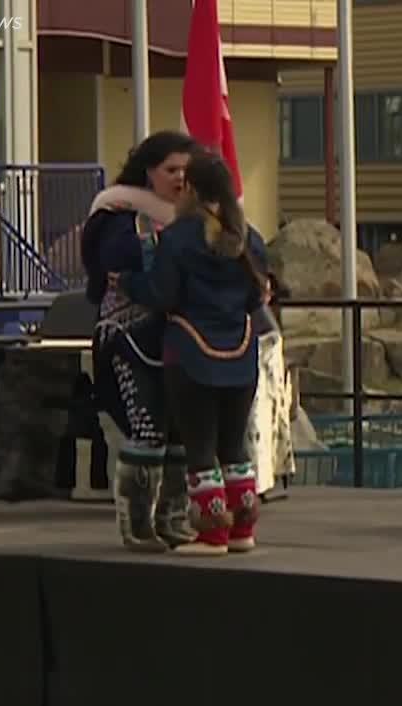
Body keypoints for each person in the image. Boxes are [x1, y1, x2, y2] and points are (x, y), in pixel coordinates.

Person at [117, 151, 269, 556]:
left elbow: (163, 293)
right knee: (234, 446)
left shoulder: (180, 237)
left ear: (192, 189)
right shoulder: (248, 237)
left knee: (200, 445)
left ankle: (211, 534)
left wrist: (129, 283)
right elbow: (257, 296)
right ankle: (241, 531)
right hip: (241, 350)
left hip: (191, 351)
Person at [81, 129, 198, 552]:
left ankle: (173, 517)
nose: (180, 178)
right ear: (149, 172)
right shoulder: (119, 215)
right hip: (130, 338)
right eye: (172, 170)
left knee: (181, 428)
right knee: (147, 426)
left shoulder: (196, 217)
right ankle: (137, 524)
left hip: (182, 337)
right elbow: (119, 262)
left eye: (187, 170)